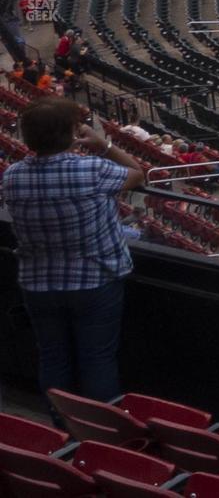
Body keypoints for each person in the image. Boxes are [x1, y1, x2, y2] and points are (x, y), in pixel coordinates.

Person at [3, 97, 145, 404]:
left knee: (53, 360)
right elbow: (137, 172)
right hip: (95, 281)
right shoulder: (93, 169)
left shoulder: (12, 176)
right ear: (71, 133)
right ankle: (101, 435)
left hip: (38, 284)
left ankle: (61, 430)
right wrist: (103, 145)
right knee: (97, 360)